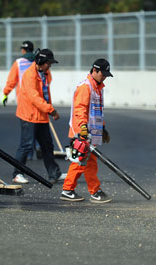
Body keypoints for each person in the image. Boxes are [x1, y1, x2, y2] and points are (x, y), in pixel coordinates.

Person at [60, 58, 113, 204]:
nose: (104, 77)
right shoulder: (86, 87)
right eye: (103, 74)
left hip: (91, 132)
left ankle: (93, 191)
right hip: (82, 132)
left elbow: (97, 112)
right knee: (79, 161)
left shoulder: (98, 87)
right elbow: (80, 110)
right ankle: (69, 190)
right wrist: (83, 128)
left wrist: (102, 128)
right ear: (94, 70)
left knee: (89, 163)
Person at [12, 48, 66, 184]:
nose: (50, 66)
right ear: (41, 61)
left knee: (47, 145)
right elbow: (35, 98)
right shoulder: (29, 75)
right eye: (48, 63)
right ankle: (17, 173)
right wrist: (51, 110)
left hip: (41, 115)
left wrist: (47, 110)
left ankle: (54, 173)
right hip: (28, 115)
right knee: (26, 145)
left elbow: (45, 91)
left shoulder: (45, 72)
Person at [2, 40, 37, 161]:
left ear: (23, 50)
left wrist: (5, 93)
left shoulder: (19, 63)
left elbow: (12, 81)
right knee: (38, 124)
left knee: (27, 126)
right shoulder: (38, 61)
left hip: (24, 99)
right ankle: (37, 146)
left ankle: (29, 153)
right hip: (38, 98)